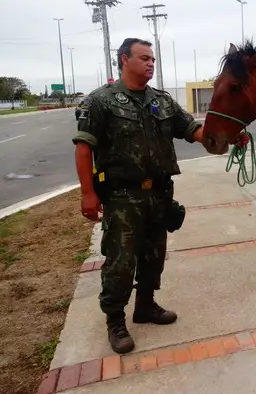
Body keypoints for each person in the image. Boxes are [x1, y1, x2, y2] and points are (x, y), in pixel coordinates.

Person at [72, 38, 204, 354]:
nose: (150, 64)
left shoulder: (162, 101)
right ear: (124, 59)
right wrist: (88, 193)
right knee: (120, 261)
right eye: (144, 58)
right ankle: (115, 321)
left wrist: (220, 138)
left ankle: (145, 306)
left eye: (153, 59)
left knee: (153, 256)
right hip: (121, 198)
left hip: (158, 194)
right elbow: (83, 147)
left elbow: (192, 130)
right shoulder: (101, 101)